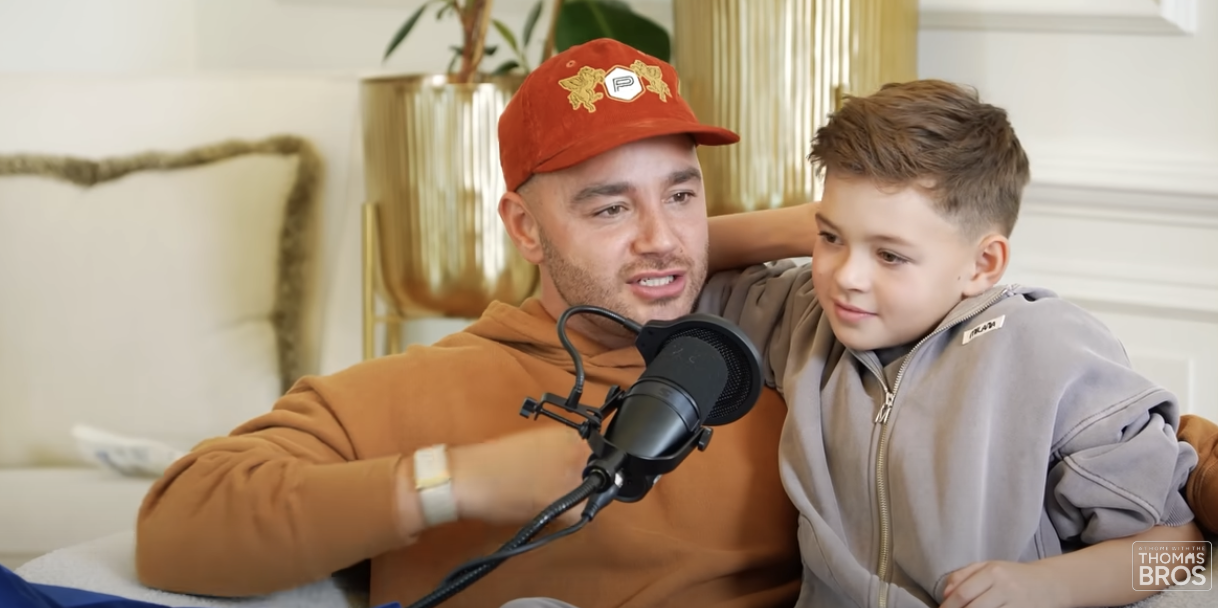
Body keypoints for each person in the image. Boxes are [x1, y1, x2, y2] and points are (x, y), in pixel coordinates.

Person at [134, 39, 811, 608]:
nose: (663, 238)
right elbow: (179, 526)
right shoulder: (411, 390)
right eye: (611, 209)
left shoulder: (781, 358)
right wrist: (458, 482)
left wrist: (803, 230)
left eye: (681, 194)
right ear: (525, 227)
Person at [696, 80, 1206, 608]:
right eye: (830, 239)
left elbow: (1182, 549)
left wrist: (1045, 588)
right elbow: (674, 260)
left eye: (890, 255)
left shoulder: (1051, 352)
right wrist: (814, 218)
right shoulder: (803, 314)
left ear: (982, 264)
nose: (846, 276)